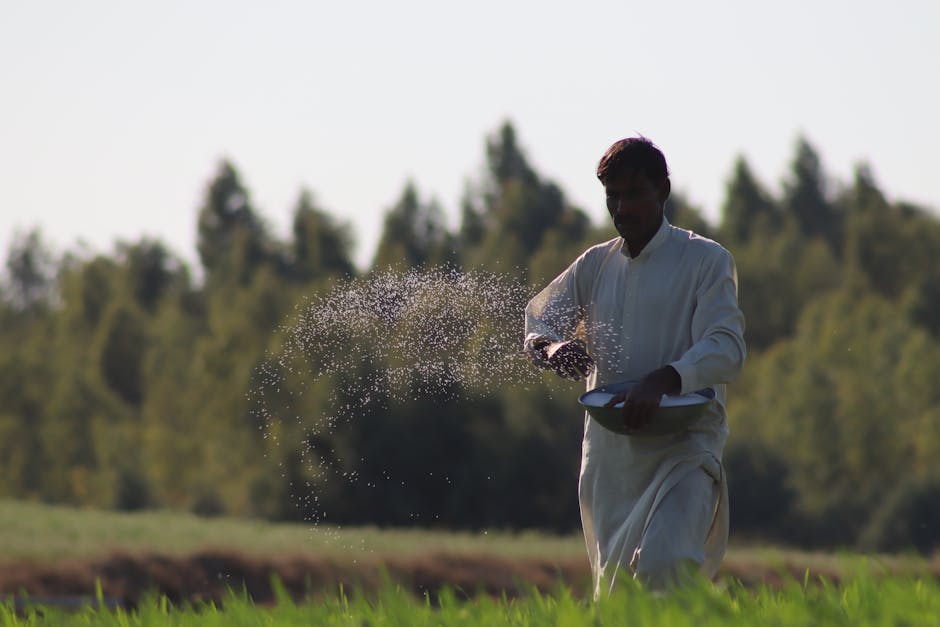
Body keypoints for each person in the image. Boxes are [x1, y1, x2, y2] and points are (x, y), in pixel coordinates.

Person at [523, 137, 746, 595]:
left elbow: (726, 347)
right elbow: (540, 320)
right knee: (619, 597)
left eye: (633, 193)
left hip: (684, 448)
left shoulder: (705, 260)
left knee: (667, 568)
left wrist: (664, 381)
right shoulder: (595, 265)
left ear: (663, 190)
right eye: (612, 196)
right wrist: (552, 348)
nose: (622, 207)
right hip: (612, 459)